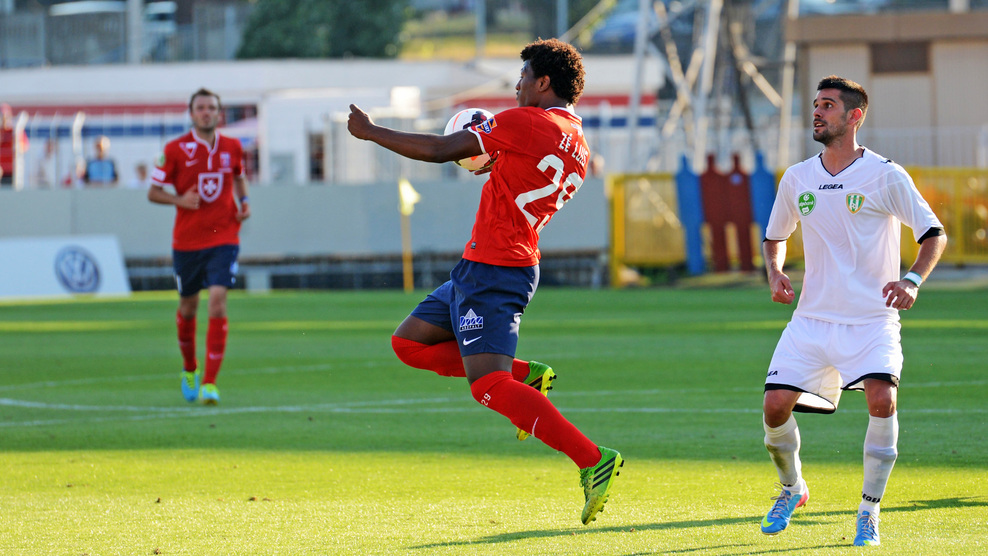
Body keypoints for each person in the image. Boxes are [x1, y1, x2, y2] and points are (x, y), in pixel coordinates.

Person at [347, 38, 622, 526]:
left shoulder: (527, 122)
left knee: (488, 386)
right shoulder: (577, 142)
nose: (516, 86)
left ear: (543, 82)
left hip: (496, 271)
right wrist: (499, 164)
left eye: (523, 77)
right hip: (485, 265)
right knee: (408, 344)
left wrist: (370, 132)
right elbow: (527, 175)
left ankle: (592, 458)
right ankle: (526, 375)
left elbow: (439, 149)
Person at [758, 75, 947, 546]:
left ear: (854, 116)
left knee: (882, 401)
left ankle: (868, 511)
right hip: (812, 319)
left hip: (871, 320)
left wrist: (912, 279)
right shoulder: (797, 177)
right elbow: (775, 236)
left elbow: (933, 234)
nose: (816, 112)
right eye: (816, 104)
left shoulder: (885, 174)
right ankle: (792, 489)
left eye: (827, 105)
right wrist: (775, 272)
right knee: (774, 408)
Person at [148, 88, 250, 405]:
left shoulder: (233, 146)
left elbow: (238, 177)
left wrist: (244, 201)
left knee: (217, 301)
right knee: (188, 308)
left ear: (219, 113)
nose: (207, 113)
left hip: (224, 236)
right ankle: (190, 368)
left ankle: (210, 383)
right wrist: (179, 200)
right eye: (201, 108)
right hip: (188, 241)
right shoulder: (174, 149)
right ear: (192, 114)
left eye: (212, 108)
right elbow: (153, 192)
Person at [0, 103, 29, 188]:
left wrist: (16, 141)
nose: (4, 119)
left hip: (12, 172)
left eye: (6, 116)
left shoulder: (15, 131)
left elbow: (24, 147)